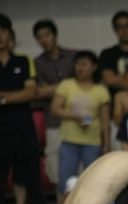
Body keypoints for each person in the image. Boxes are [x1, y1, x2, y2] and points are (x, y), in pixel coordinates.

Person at [0, 13, 50, 204]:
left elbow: (32, 93)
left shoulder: (24, 60)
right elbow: (23, 93)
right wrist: (14, 96)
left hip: (25, 132)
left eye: (3, 31)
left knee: (35, 187)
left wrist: (3, 97)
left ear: (10, 34)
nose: (0, 37)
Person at [51, 51, 111, 204]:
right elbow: (55, 109)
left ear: (94, 67)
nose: (80, 68)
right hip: (69, 141)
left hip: (92, 142)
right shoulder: (67, 85)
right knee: (65, 183)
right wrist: (75, 117)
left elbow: (105, 120)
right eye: (78, 64)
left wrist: (106, 144)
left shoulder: (101, 90)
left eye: (84, 64)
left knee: (93, 183)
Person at [32, 19, 76, 193]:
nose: (44, 40)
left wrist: (52, 89)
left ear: (55, 36)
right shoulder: (37, 63)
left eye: (47, 35)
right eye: (39, 37)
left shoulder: (73, 57)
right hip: (54, 120)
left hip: (77, 118)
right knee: (56, 166)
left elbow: (82, 84)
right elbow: (38, 92)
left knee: (79, 168)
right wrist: (68, 86)